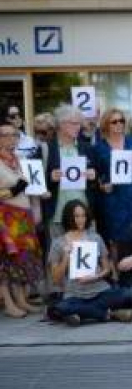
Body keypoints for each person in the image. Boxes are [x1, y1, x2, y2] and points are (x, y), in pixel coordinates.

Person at [47, 200, 132, 326]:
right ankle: (108, 314)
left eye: (83, 215)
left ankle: (80, 315)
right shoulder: (58, 243)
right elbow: (55, 279)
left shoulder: (95, 237)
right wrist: (66, 256)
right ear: (68, 217)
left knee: (126, 294)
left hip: (100, 290)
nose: (81, 219)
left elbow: (107, 268)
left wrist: (96, 276)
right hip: (74, 294)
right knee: (59, 308)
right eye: (76, 216)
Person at [92, 108, 132, 263]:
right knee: (114, 236)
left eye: (121, 121)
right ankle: (116, 270)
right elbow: (96, 175)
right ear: (106, 124)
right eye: (114, 121)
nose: (119, 124)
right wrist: (102, 186)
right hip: (113, 196)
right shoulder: (99, 147)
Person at [0, 125, 44, 318]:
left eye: (15, 135)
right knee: (6, 261)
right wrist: (14, 190)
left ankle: (21, 300)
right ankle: (8, 303)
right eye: (6, 135)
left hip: (22, 216)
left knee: (21, 260)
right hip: (5, 216)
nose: (12, 139)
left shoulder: (17, 160)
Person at [44, 105, 97, 240]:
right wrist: (50, 177)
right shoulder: (47, 149)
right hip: (58, 215)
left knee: (88, 255)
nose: (78, 127)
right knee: (59, 257)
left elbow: (99, 175)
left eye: (79, 123)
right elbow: (36, 181)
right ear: (61, 125)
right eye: (74, 123)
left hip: (84, 214)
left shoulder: (86, 148)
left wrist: (93, 175)